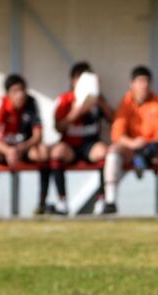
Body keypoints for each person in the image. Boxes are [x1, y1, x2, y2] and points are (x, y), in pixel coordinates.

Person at [103, 66, 158, 215]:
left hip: (152, 148)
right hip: (131, 148)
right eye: (140, 81)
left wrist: (145, 144)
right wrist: (132, 143)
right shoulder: (125, 103)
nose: (144, 85)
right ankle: (110, 200)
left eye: (146, 81)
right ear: (132, 84)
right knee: (112, 150)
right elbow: (117, 134)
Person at [0, 74, 49, 216]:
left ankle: (42, 204)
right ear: (8, 93)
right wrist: (8, 151)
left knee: (43, 152)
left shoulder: (32, 103)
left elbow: (38, 136)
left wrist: (21, 148)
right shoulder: (1, 104)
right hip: (6, 150)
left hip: (25, 149)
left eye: (22, 90)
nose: (20, 94)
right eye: (15, 91)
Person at [50, 62, 114, 215]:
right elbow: (58, 127)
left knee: (104, 152)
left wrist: (99, 101)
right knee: (57, 152)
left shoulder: (98, 100)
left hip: (90, 144)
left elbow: (114, 119)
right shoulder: (65, 99)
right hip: (70, 145)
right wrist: (76, 112)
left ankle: (101, 200)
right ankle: (62, 201)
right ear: (73, 80)